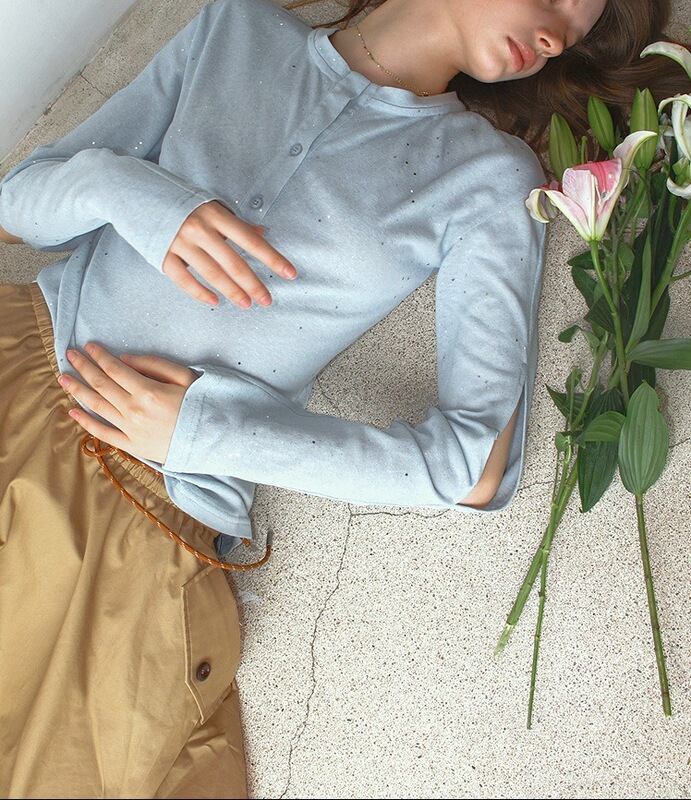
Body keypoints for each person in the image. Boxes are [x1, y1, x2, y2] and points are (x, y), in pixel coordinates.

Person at [0, 0, 684, 796]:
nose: (556, 33)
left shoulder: (489, 178)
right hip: (22, 356)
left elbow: (471, 469)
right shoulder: (235, 30)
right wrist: (130, 191)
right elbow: (18, 205)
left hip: (133, 502)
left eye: (575, 29)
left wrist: (206, 432)